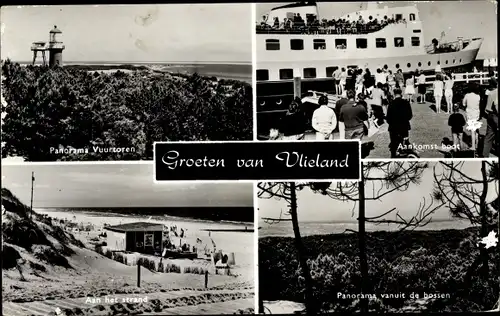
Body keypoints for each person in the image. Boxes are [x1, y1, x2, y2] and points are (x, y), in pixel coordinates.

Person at [386, 88, 413, 158]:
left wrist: (391, 123)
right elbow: (410, 115)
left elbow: (388, 118)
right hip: (404, 126)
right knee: (405, 143)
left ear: (394, 94)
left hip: (393, 127)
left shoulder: (391, 103)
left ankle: (393, 156)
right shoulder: (406, 102)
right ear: (401, 94)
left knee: (394, 144)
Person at [463, 83, 481, 152]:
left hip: (470, 114)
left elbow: (463, 104)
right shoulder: (478, 96)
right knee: (475, 130)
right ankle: (477, 144)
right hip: (476, 114)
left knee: (472, 131)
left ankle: (473, 146)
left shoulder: (467, 95)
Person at [482, 78, 498, 157]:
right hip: (496, 115)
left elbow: (487, 109)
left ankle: (485, 155)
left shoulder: (491, 93)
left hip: (491, 116)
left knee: (488, 137)